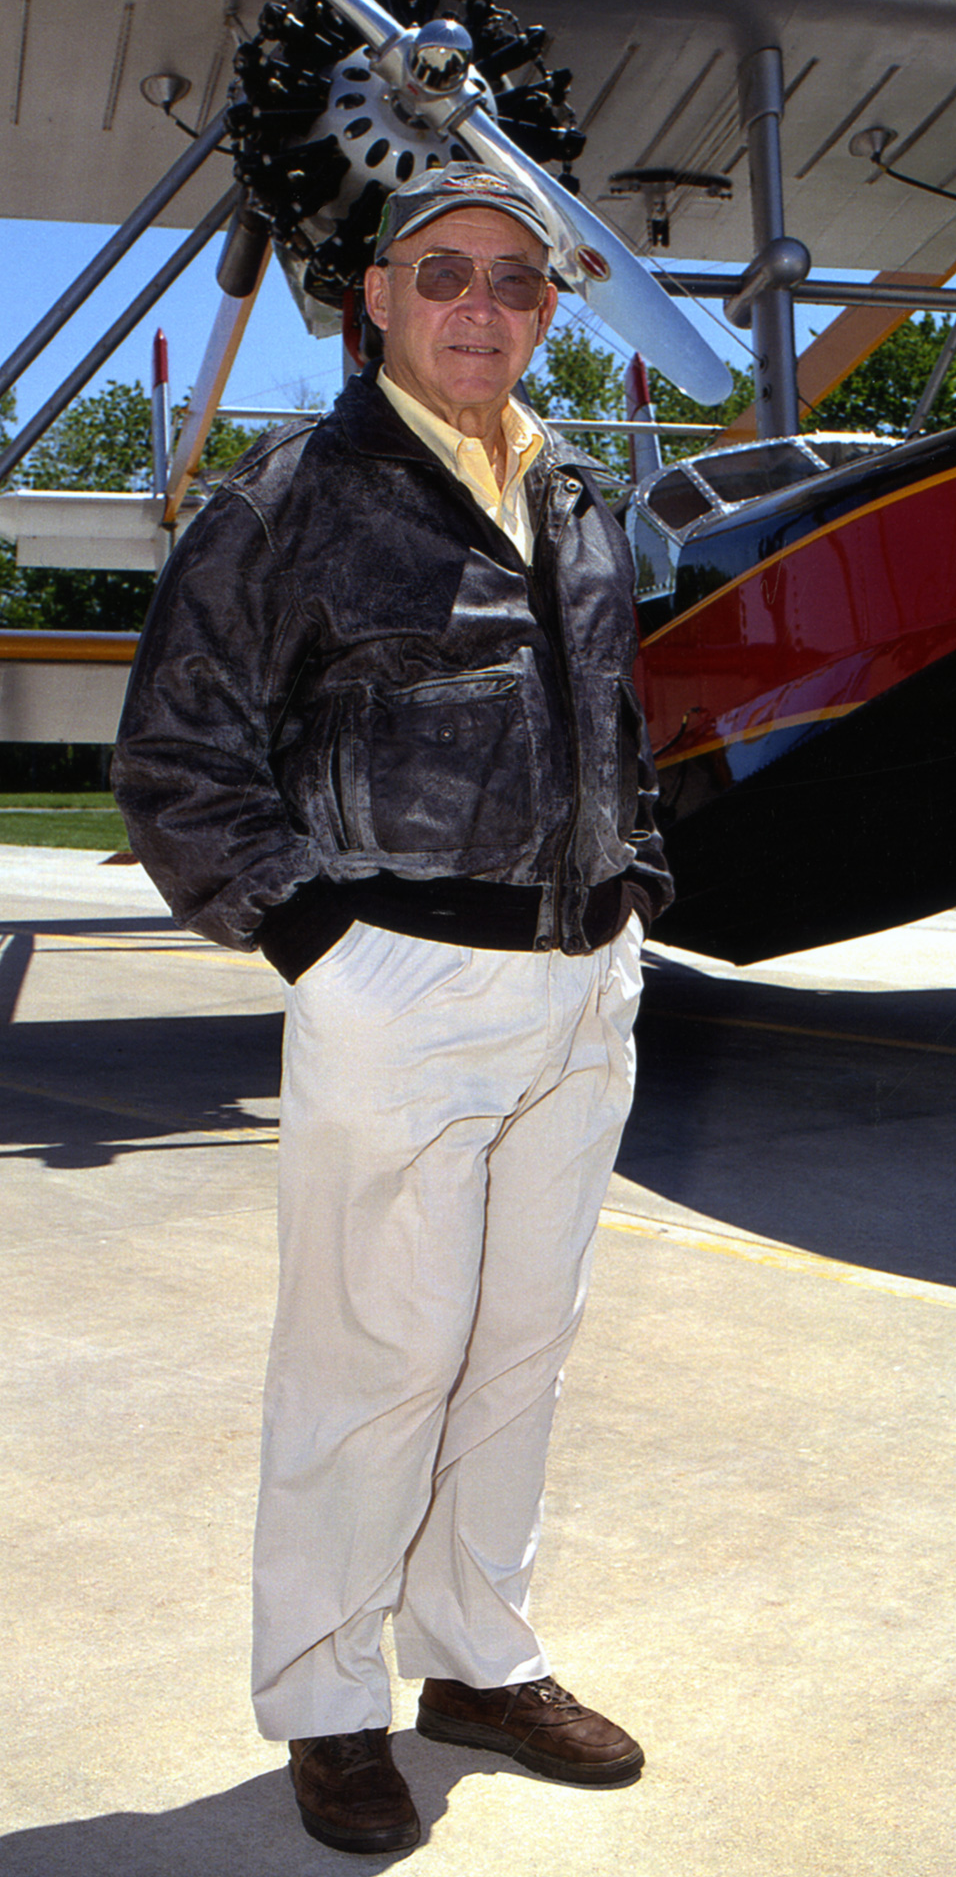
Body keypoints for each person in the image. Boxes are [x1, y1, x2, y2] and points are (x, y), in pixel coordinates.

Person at [113, 162, 672, 1857]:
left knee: (517, 1355)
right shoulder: (293, 495)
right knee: (370, 1365)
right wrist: (319, 941)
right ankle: (327, 1702)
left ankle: (476, 1661)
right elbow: (178, 753)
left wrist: (635, 882)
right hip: (398, 982)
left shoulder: (570, 487)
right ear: (374, 294)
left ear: (550, 306)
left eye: (516, 279)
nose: (481, 306)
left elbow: (610, 723)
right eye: (445, 274)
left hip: (584, 980)